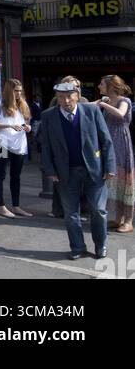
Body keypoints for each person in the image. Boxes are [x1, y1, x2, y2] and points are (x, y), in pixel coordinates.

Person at [39, 75, 116, 260]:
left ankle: (101, 245)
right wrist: (49, 170)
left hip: (94, 170)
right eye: (61, 97)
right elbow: (46, 146)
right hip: (66, 172)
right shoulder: (48, 116)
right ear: (56, 97)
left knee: (98, 210)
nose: (66, 101)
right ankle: (78, 247)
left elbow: (106, 141)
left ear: (77, 95)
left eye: (69, 96)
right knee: (71, 213)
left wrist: (110, 166)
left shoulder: (91, 111)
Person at [0, 77, 32, 217]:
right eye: (16, 91)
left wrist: (28, 127)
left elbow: (26, 121)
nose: (19, 94)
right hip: (1, 143)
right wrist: (10, 125)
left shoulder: (22, 104)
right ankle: (1, 206)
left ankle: (16, 206)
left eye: (20, 91)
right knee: (0, 174)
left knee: (16, 176)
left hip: (19, 144)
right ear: (9, 91)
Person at [97, 74, 134, 233]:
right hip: (109, 143)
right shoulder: (105, 101)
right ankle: (118, 218)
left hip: (121, 142)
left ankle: (129, 221)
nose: (99, 86)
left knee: (125, 182)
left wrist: (103, 105)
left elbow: (120, 114)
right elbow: (90, 106)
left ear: (110, 86)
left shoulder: (123, 100)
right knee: (114, 181)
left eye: (101, 84)